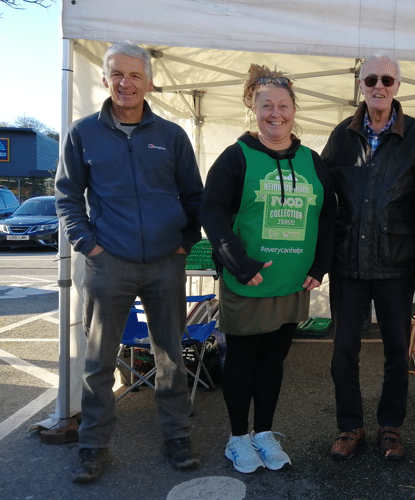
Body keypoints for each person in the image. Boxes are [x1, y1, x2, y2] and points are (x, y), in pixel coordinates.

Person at [55, 42, 204, 483]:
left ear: (149, 82)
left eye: (135, 75)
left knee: (171, 356)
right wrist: (89, 245)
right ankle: (92, 447)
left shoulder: (172, 135)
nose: (126, 83)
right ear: (105, 79)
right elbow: (67, 196)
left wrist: (184, 243)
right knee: (99, 361)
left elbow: (195, 196)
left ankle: (177, 437)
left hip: (165, 263)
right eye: (117, 74)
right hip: (109, 263)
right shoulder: (82, 133)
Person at [200, 64, 335, 474]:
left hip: (292, 283)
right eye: (266, 106)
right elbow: (212, 212)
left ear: (294, 109)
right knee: (241, 362)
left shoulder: (313, 161)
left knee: (274, 364)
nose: (275, 114)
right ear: (252, 108)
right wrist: (237, 262)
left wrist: (320, 265)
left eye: (283, 105)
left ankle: (264, 433)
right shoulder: (235, 157)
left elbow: (329, 216)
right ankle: (238, 438)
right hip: (248, 283)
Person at [321, 52, 415, 461]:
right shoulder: (341, 135)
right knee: (343, 351)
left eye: (387, 79)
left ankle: (391, 426)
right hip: (349, 263)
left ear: (398, 85)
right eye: (371, 80)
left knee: (395, 351)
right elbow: (322, 195)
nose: (379, 86)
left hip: (396, 264)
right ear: (360, 85)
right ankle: (351, 426)